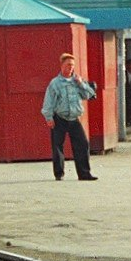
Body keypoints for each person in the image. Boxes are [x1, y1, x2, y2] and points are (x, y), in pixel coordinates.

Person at [41, 52, 98, 181]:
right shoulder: (55, 83)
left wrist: (81, 84)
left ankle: (84, 173)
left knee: (82, 144)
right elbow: (48, 101)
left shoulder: (77, 81)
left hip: (74, 118)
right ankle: (59, 173)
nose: (70, 68)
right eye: (68, 65)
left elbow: (90, 95)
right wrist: (49, 117)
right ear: (61, 66)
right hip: (59, 118)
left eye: (72, 65)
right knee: (57, 146)